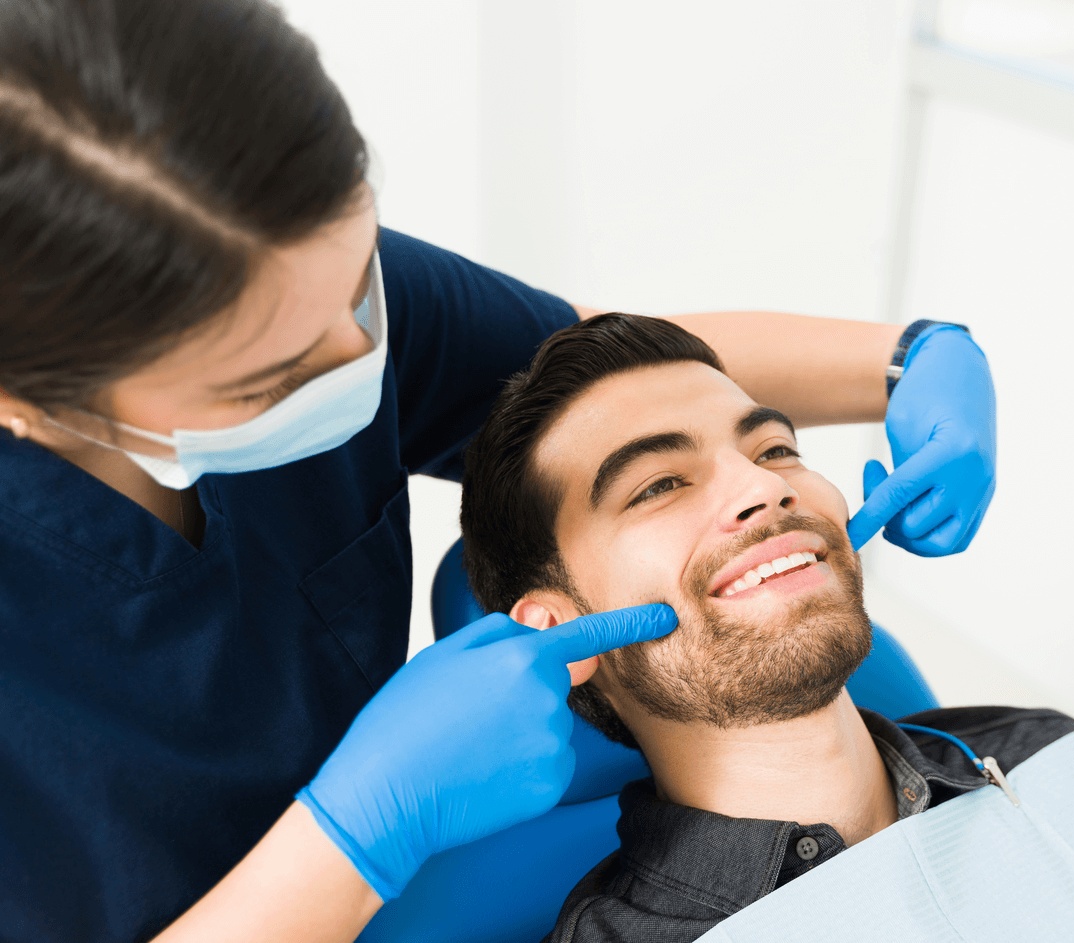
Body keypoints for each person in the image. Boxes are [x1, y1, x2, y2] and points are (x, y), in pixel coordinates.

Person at [0, 3, 998, 941]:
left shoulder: (267, 264)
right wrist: (358, 830)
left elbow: (608, 376)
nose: (362, 359)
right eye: (272, 379)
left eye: (360, 285)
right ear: (25, 401)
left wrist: (908, 357)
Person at [458, 315, 1074, 943]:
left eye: (776, 450)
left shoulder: (1043, 754)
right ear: (563, 633)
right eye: (659, 485)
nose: (765, 487)